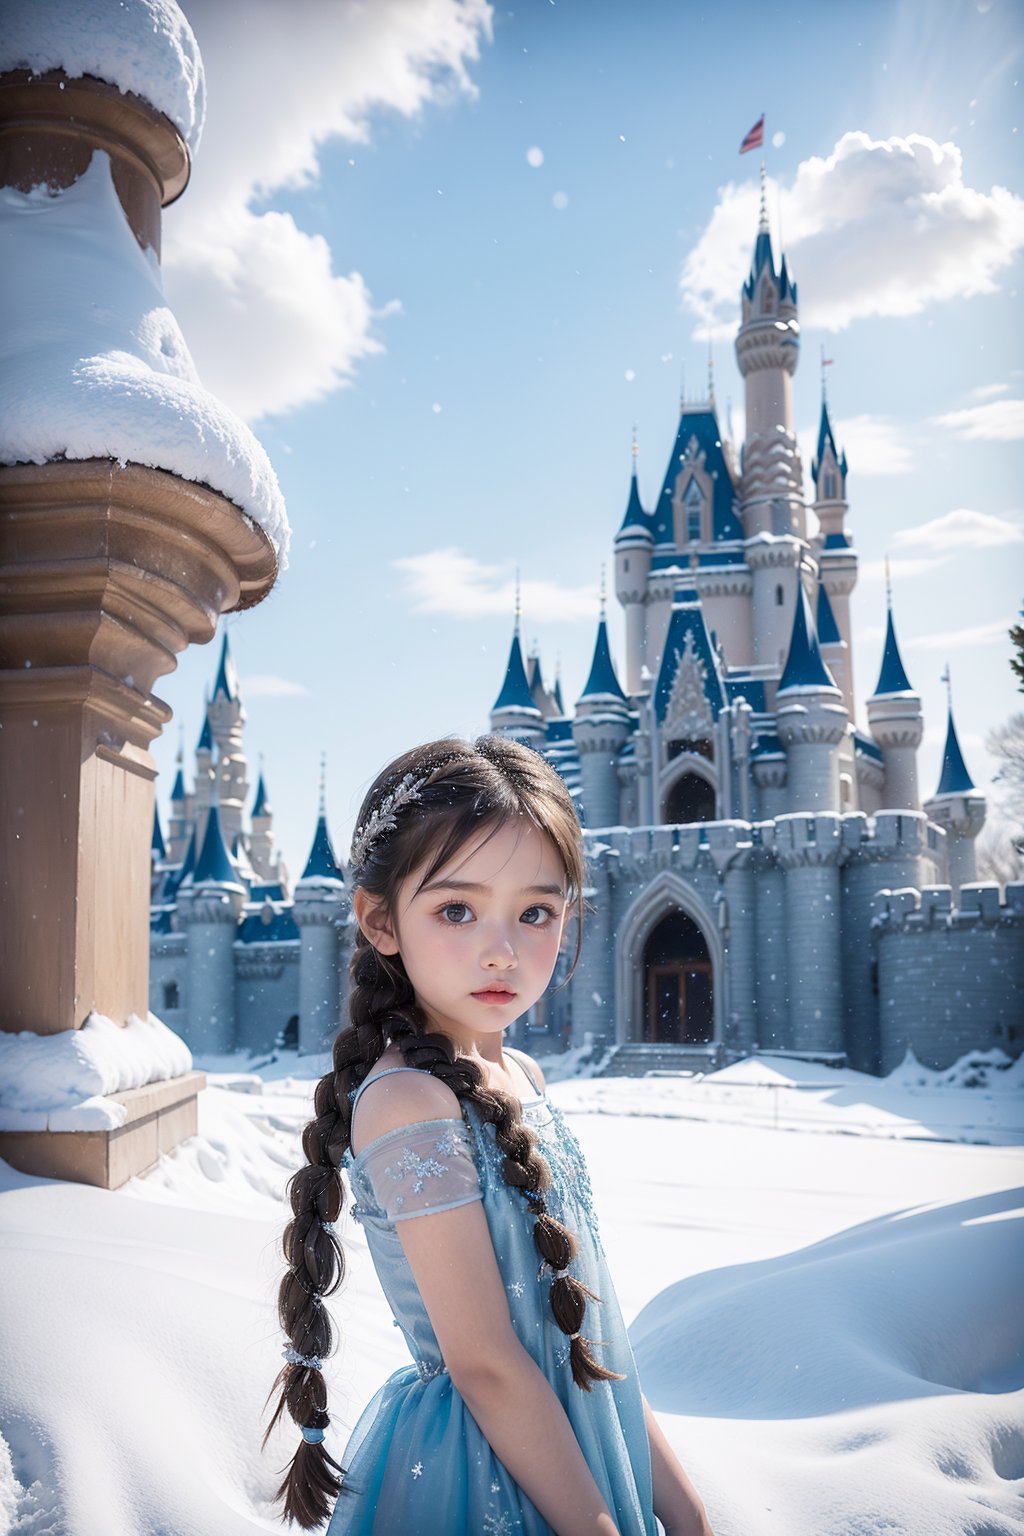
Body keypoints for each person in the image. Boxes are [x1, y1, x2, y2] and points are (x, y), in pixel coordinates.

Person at [265, 735, 713, 1536]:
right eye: (457, 910)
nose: (502, 949)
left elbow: (591, 1325)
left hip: (585, 1445)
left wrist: (682, 1508)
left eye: (535, 911)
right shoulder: (407, 1101)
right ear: (380, 921)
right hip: (483, 1473)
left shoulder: (524, 1080)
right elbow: (487, 1364)